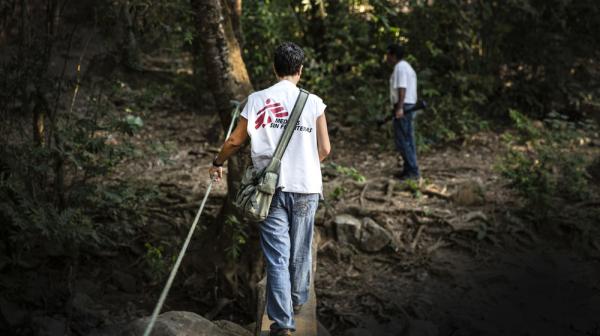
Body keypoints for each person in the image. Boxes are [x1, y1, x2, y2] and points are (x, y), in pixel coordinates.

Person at [208, 41, 331, 336]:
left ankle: (283, 325)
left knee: (277, 256)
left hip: (269, 188)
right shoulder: (313, 102)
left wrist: (217, 161)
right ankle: (299, 299)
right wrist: (305, 164)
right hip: (306, 187)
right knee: (300, 249)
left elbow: (236, 141)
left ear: (274, 68)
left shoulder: (257, 99)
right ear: (299, 70)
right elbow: (325, 148)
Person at [386, 43, 420, 180]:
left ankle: (412, 171)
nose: (387, 58)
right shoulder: (406, 67)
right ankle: (409, 170)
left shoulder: (400, 68)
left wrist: (399, 107)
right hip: (407, 105)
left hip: (404, 106)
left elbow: (402, 88)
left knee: (402, 140)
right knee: (408, 139)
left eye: (388, 54)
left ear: (393, 55)